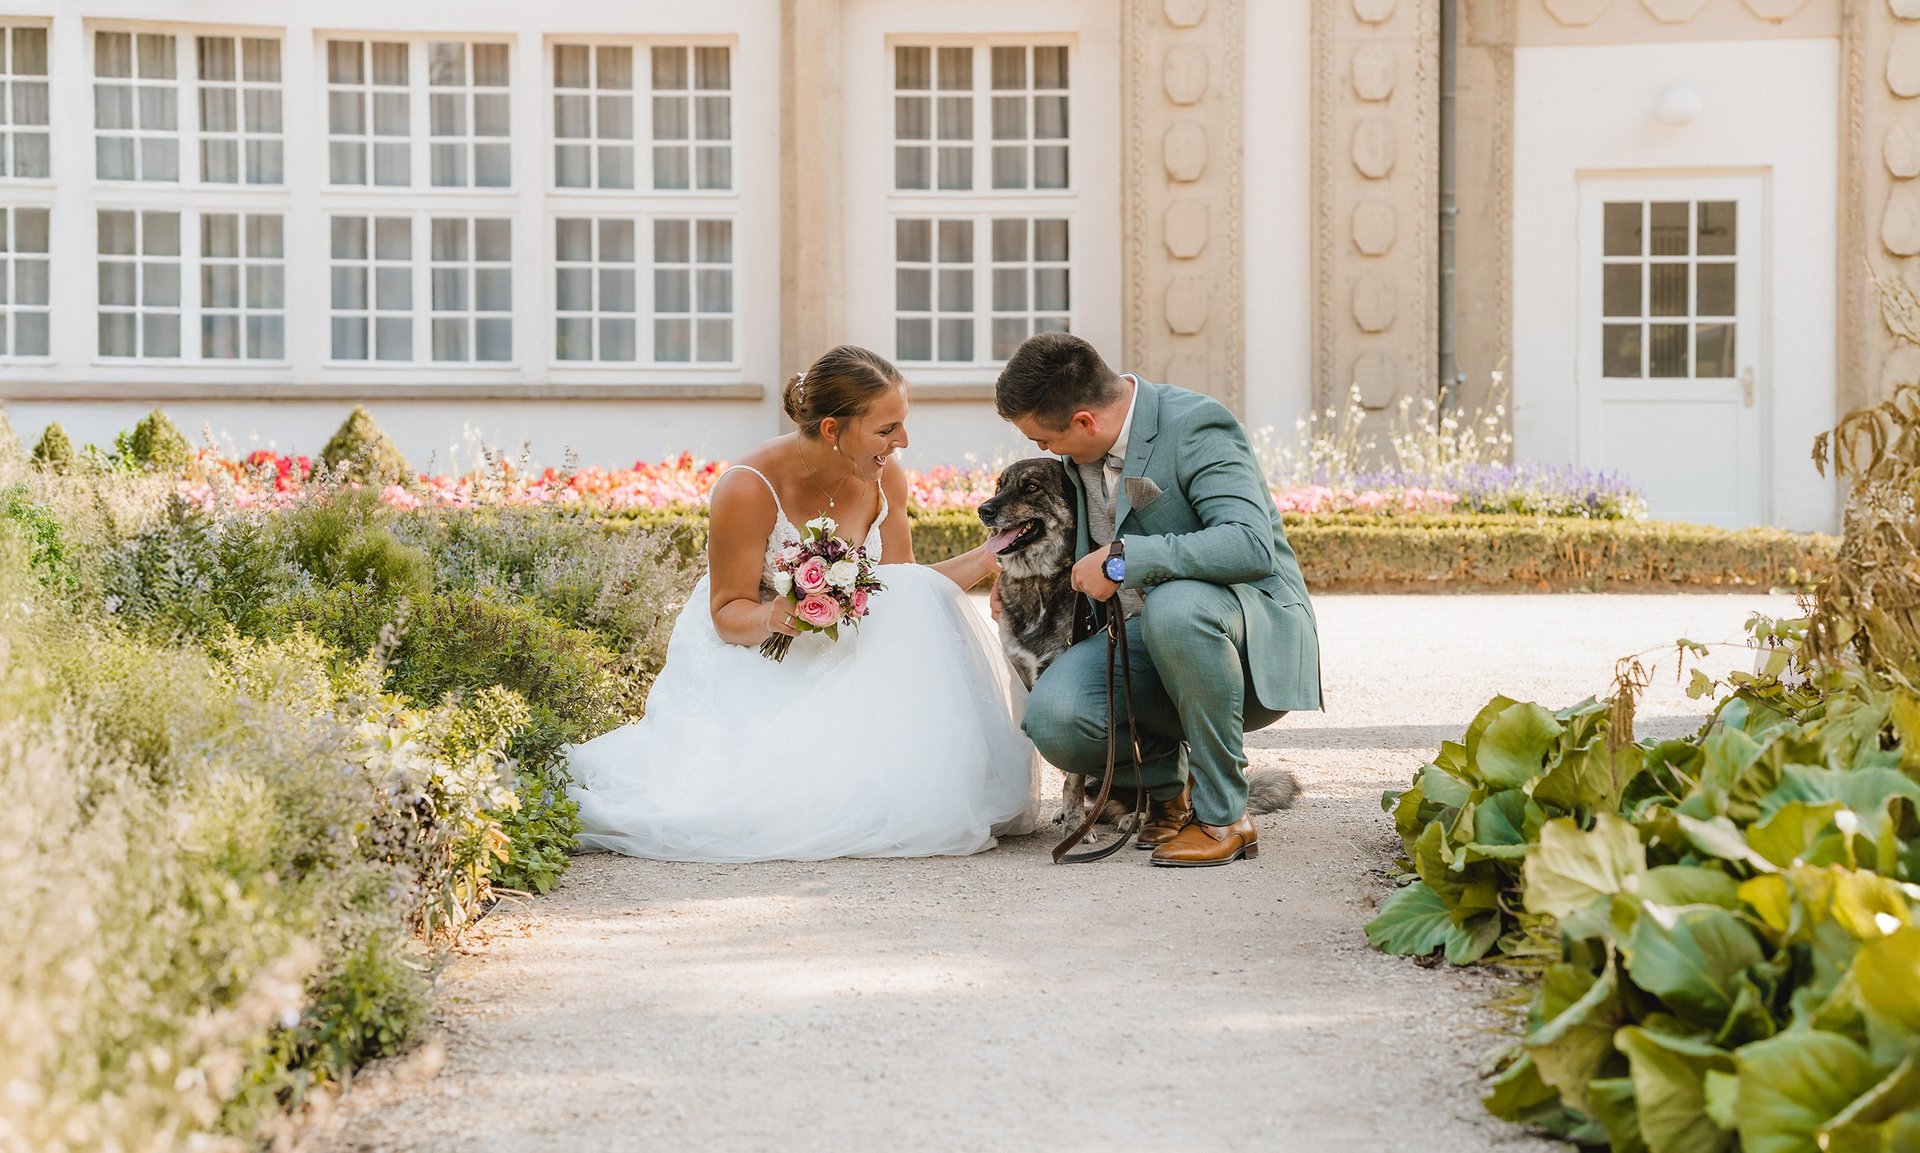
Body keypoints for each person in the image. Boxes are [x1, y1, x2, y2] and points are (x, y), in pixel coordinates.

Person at [566, 345, 1036, 861]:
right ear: (833, 430)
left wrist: (994, 554)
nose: (901, 441)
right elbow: (727, 614)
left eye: (901, 425)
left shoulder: (887, 475)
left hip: (847, 641)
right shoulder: (748, 488)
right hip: (759, 651)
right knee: (760, 804)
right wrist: (779, 613)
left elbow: (903, 589)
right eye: (886, 429)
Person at [995, 332, 1322, 867]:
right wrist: (1010, 572)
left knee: (1175, 607)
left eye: (1044, 441)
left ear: (1084, 421)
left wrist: (1125, 559)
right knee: (1055, 717)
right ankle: (1168, 799)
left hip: (1238, 636)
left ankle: (1224, 817)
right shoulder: (1082, 454)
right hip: (1140, 643)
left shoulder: (1195, 425)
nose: (1044, 452)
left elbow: (1250, 543)